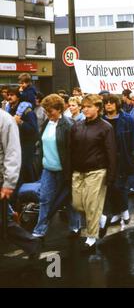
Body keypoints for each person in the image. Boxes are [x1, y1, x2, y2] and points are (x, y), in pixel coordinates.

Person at [71, 94, 116, 252]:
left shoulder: (106, 127)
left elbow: (111, 152)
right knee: (77, 204)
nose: (85, 109)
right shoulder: (77, 126)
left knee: (91, 206)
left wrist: (110, 176)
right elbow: (72, 149)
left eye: (89, 106)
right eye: (83, 106)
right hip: (78, 171)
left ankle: (91, 238)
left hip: (97, 171)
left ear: (98, 107)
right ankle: (102, 218)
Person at [32, 94, 81, 239]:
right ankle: (40, 229)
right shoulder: (47, 122)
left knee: (69, 201)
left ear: (59, 109)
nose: (48, 114)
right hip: (48, 168)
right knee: (45, 199)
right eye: (46, 112)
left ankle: (75, 226)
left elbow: (74, 150)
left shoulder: (69, 125)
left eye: (51, 111)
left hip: (64, 170)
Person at [0, 109, 41, 259]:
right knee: (3, 220)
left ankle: (31, 243)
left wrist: (8, 183)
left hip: (0, 177)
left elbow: (13, 152)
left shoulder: (5, 120)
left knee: (3, 221)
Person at [101, 94, 134, 231]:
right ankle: (117, 213)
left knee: (119, 186)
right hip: (106, 159)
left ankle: (124, 210)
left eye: (111, 103)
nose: (109, 105)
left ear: (117, 104)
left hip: (122, 158)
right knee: (110, 187)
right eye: (106, 103)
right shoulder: (101, 119)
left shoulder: (127, 119)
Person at [6, 87, 39, 185]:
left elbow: (34, 130)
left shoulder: (26, 110)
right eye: (8, 95)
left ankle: (32, 189)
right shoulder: (9, 109)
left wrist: (20, 122)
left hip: (26, 143)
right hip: (15, 143)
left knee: (26, 166)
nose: (9, 97)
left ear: (18, 97)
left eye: (12, 95)